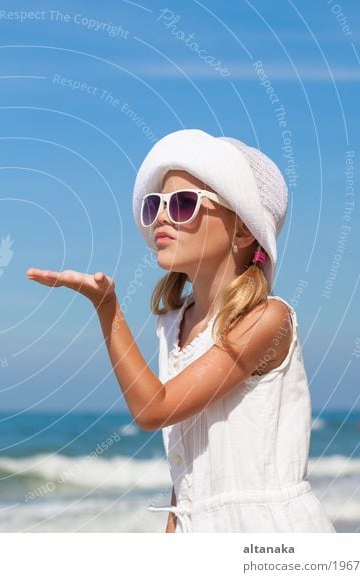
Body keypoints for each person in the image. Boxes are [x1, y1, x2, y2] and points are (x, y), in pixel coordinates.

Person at [26, 128, 335, 533]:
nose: (161, 217)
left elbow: (155, 409)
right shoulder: (172, 324)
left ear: (243, 230)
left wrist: (107, 309)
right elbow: (186, 479)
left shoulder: (266, 320)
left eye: (185, 203)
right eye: (155, 204)